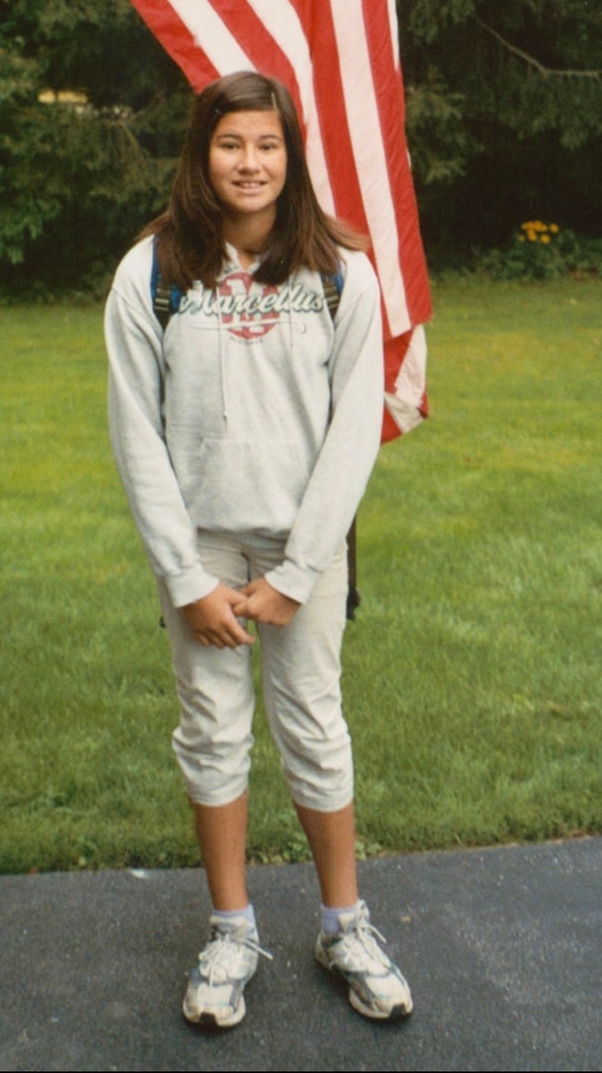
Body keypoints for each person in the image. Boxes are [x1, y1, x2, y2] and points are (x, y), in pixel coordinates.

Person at [103, 70, 413, 1029]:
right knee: (210, 731)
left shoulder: (339, 273)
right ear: (202, 155)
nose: (250, 163)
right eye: (231, 144)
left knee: (315, 724)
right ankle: (232, 930)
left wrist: (296, 572)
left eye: (268, 145)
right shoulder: (150, 272)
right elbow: (135, 435)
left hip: (300, 549)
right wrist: (186, 577)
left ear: (291, 156)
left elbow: (354, 432)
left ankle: (343, 923)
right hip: (199, 551)